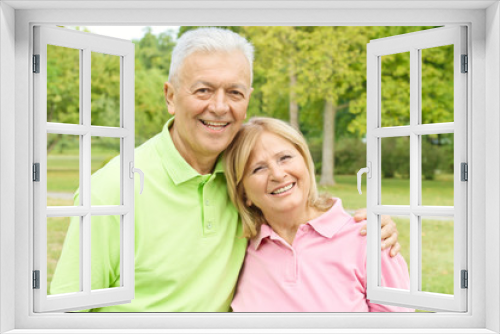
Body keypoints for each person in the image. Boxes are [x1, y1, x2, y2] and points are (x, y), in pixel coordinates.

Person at [50, 27, 400, 312]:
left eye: (234, 92)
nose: (219, 107)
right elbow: (67, 313)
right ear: (170, 96)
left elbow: (301, 220)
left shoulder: (244, 177)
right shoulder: (112, 189)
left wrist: (373, 227)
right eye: (203, 90)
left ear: (247, 98)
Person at [224, 117, 412, 312]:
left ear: (305, 162)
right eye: (258, 168)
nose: (278, 174)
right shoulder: (239, 247)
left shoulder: (369, 237)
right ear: (244, 193)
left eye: (285, 158)